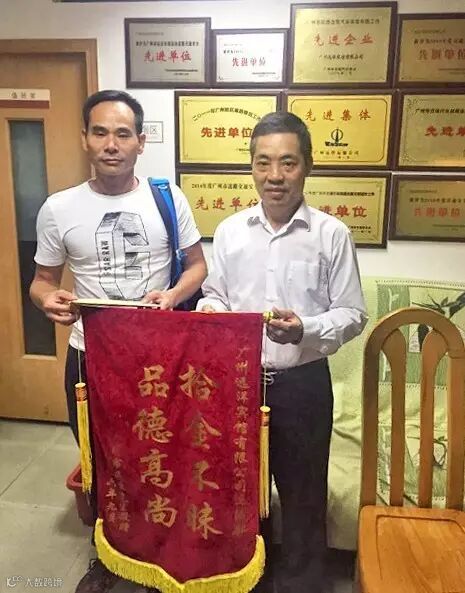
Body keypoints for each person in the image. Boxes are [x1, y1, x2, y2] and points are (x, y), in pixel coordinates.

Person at [30, 89, 207, 593]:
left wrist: (173, 295)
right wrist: (47, 300)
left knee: (163, 455)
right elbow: (41, 281)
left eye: (123, 134)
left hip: (159, 357)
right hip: (91, 357)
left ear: (140, 142)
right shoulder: (59, 208)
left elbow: (198, 267)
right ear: (85, 138)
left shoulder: (167, 198)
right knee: (103, 459)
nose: (112, 144)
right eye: (101, 132)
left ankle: (163, 553)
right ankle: (110, 556)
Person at [197, 111, 367, 593]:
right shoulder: (230, 231)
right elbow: (215, 293)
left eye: (288, 162)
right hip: (240, 385)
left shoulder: (331, 234)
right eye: (264, 162)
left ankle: (301, 584)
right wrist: (212, 312)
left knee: (304, 496)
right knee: (238, 492)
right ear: (251, 166)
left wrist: (305, 330)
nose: (275, 175)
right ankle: (243, 580)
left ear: (307, 166)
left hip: (303, 386)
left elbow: (353, 313)